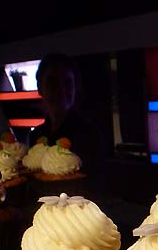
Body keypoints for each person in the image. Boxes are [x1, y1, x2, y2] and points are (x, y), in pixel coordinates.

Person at [29, 53, 106, 189]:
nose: (61, 90)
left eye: (67, 83)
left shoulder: (89, 134)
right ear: (40, 88)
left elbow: (96, 186)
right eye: (53, 83)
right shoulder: (35, 136)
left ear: (76, 88)